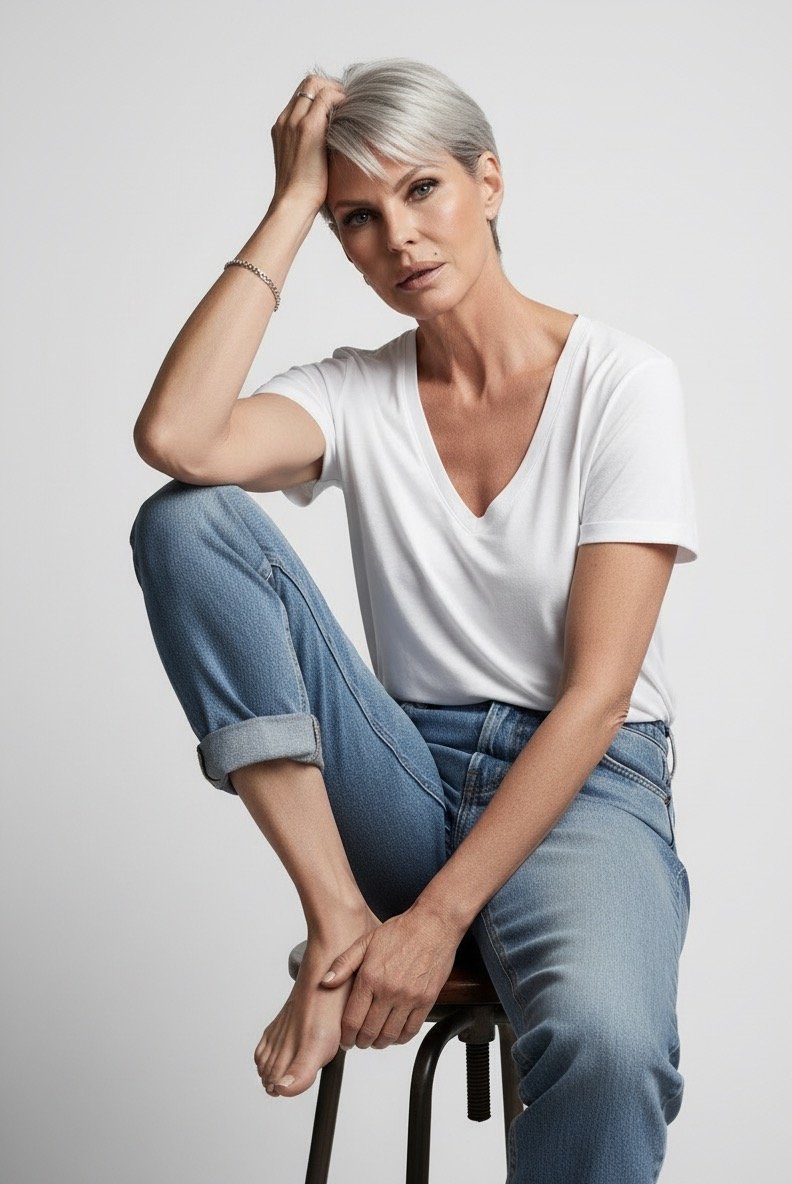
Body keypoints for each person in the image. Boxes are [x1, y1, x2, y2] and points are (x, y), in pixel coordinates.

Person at [129, 56, 699, 1183]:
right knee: (184, 522)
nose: (397, 237)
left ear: (489, 181)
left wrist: (439, 916)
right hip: (401, 772)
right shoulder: (354, 390)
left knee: (608, 1042)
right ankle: (338, 915)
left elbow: (594, 694)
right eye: (357, 215)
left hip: (585, 781)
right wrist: (289, 203)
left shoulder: (624, 383)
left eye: (422, 190)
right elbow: (179, 440)